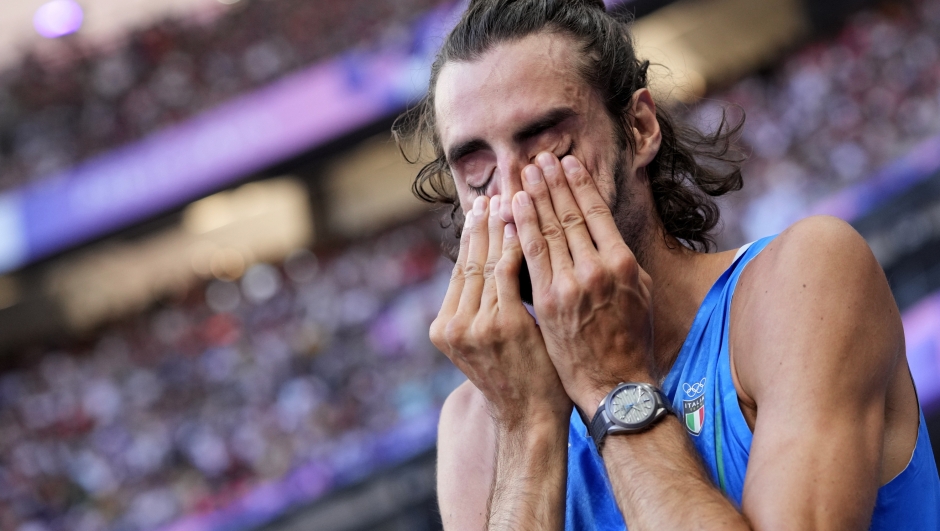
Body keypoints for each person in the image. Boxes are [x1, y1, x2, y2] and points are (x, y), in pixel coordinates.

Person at [392, 0, 940, 529]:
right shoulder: (477, 425)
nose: (515, 197)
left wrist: (613, 386)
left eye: (547, 149)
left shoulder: (803, 279)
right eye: (479, 171)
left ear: (640, 128)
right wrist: (527, 428)